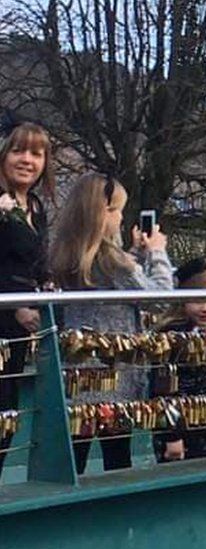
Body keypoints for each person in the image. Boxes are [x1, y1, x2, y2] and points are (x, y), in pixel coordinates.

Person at [49, 172, 174, 474]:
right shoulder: (111, 258)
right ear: (101, 213)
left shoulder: (69, 252)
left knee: (75, 455)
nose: (120, 218)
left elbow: (114, 289)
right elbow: (160, 297)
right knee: (117, 458)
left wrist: (133, 254)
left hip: (79, 372)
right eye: (116, 210)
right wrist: (157, 252)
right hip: (113, 374)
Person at [0, 118, 56, 476]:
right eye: (19, 150)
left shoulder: (35, 205)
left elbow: (36, 261)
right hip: (2, 319)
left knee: (7, 410)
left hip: (21, 328)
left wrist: (46, 285)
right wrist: (17, 303)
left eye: (37, 153)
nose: (27, 160)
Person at [151, 257, 206, 463]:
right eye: (198, 300)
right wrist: (172, 436)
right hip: (178, 429)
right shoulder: (172, 335)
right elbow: (163, 389)